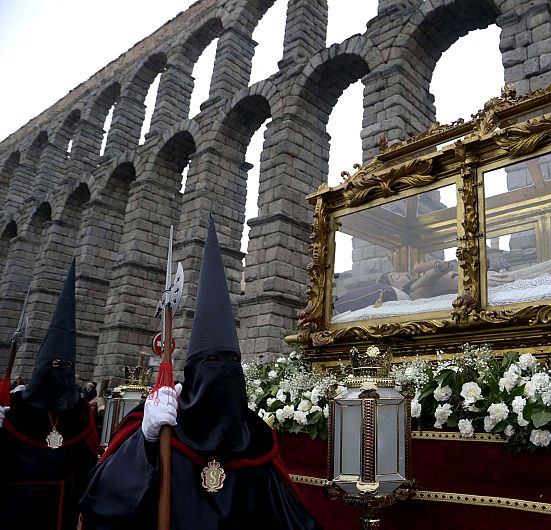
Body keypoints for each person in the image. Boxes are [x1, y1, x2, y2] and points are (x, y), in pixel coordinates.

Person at [81, 215, 322, 530]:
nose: (221, 373)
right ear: (193, 371)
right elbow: (104, 496)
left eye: (231, 364)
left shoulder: (256, 439)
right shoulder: (160, 420)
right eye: (211, 361)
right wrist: (145, 442)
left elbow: (288, 518)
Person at [0, 260, 99, 529]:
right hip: (17, 505)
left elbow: (88, 465)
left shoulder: (80, 413)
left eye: (67, 367)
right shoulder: (15, 408)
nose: (61, 371)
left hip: (64, 508)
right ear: (43, 367)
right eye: (55, 365)